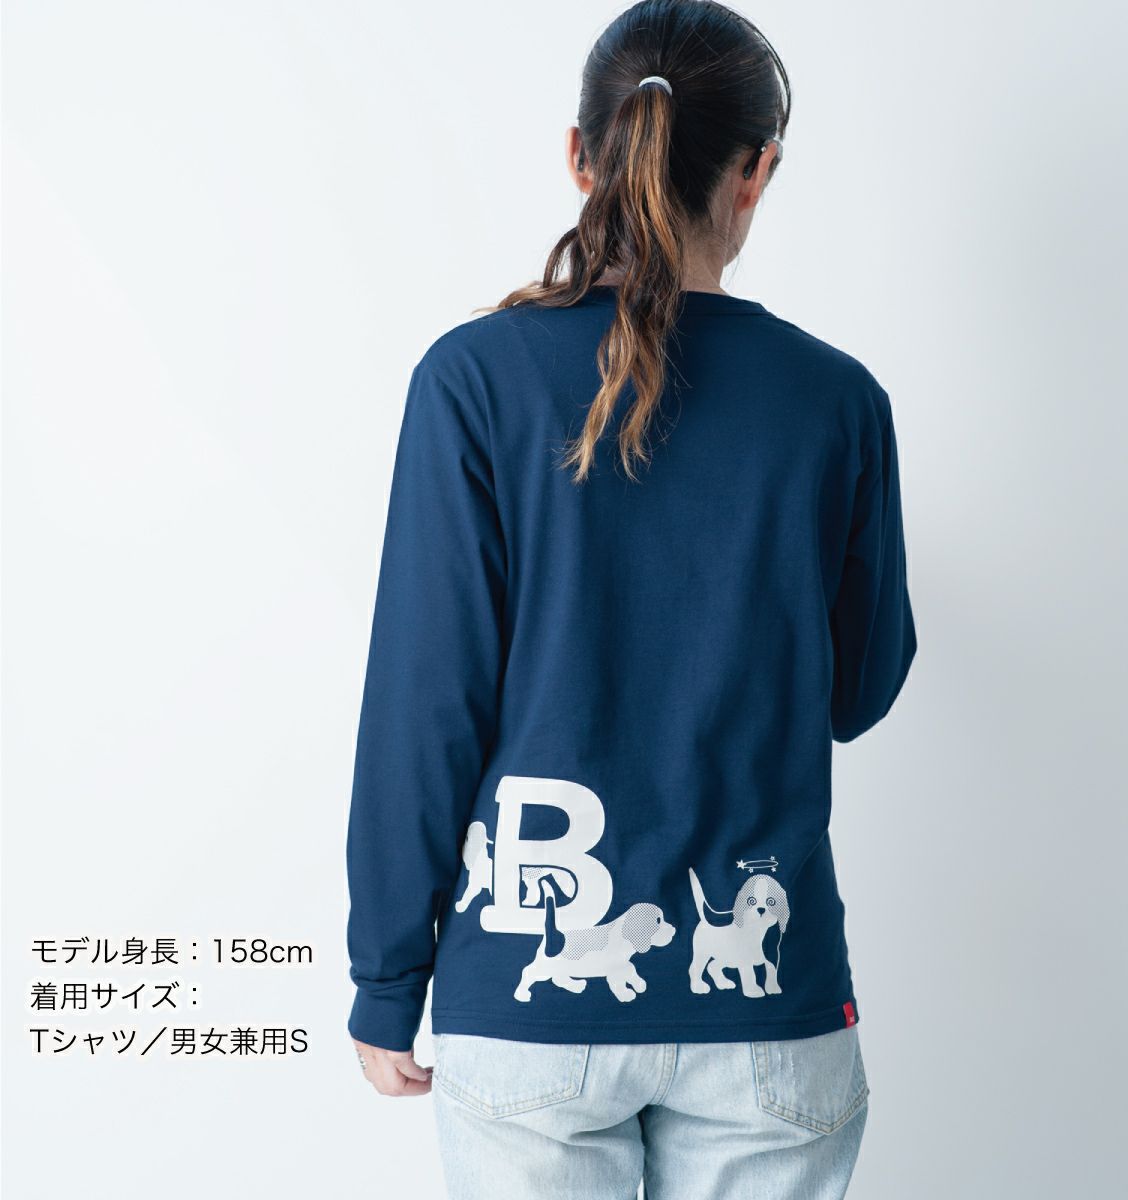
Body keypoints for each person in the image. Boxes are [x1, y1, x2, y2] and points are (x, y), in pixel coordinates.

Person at [345, 1, 917, 1195]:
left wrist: (389, 975)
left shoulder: (473, 381)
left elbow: (425, 702)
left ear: (579, 154)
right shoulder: (837, 402)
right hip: (768, 1015)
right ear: (756, 172)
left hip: (529, 1003)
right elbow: (859, 693)